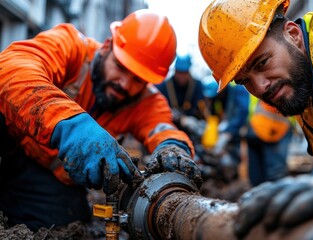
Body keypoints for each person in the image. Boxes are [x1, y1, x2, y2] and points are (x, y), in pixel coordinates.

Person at [0, 9, 202, 231]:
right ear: (107, 46)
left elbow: (163, 128)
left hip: (44, 176)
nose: (125, 84)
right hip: (8, 144)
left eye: (138, 79)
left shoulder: (146, 101)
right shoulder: (72, 47)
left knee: (67, 222)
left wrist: (173, 148)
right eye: (121, 67)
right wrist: (71, 126)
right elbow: (10, 70)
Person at [198, 0, 313, 237]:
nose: (260, 87)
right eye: (245, 81)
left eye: (262, 62)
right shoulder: (303, 90)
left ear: (293, 34)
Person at [199, 75, 250, 182]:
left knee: (244, 163)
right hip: (231, 132)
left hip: (248, 131)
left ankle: (239, 181)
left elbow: (242, 112)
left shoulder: (238, 90)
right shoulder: (218, 98)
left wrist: (228, 133)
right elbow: (215, 114)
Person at [246, 97, 293, 186]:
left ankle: (258, 195)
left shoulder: (253, 88)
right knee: (275, 173)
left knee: (256, 173)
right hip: (273, 130)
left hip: (254, 127)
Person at [156, 54, 206, 130]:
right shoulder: (164, 86)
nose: (181, 76)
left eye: (184, 73)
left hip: (191, 127)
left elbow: (201, 108)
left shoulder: (197, 86)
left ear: (189, 71)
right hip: (169, 125)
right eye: (179, 72)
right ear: (175, 70)